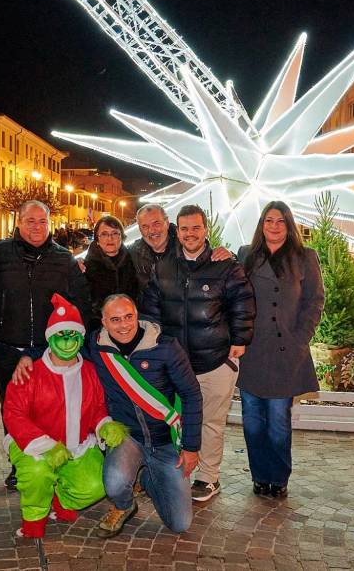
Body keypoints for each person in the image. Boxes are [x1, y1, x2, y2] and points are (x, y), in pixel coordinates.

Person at [13, 294, 202, 537]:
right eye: (115, 319)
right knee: (112, 483)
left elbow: (191, 395)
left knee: (180, 524)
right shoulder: (96, 345)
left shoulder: (165, 347)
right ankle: (124, 504)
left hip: (165, 441)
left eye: (128, 317)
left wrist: (191, 447)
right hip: (128, 438)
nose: (124, 325)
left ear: (137, 315)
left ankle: (144, 478)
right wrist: (28, 355)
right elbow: (63, 341)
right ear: (103, 321)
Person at [140, 204, 255, 503]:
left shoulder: (225, 265)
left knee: (211, 422)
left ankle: (208, 477)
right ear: (177, 231)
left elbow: (243, 302)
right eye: (185, 228)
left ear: (205, 230)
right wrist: (153, 347)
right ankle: (177, 472)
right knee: (172, 418)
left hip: (215, 360)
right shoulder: (163, 267)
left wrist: (239, 340)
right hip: (175, 363)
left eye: (196, 228)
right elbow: (151, 309)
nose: (190, 234)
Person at [3, 294, 125, 539]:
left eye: (73, 335)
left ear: (81, 338)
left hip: (76, 445)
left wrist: (104, 425)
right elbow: (14, 415)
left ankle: (59, 497)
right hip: (32, 446)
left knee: (98, 485)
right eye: (61, 335)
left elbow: (97, 407)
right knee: (37, 473)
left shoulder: (90, 371)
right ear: (50, 338)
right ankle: (33, 522)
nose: (67, 341)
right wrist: (47, 446)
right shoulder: (30, 372)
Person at [0, 200, 91, 490]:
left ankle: (51, 461)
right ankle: (19, 464)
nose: (36, 227)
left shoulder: (63, 259)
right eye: (30, 221)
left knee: (49, 408)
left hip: (49, 352)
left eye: (42, 221)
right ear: (18, 222)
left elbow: (81, 300)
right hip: (8, 347)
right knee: (12, 410)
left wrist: (74, 342)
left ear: (50, 223)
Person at [237, 202, 324, 499]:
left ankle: (278, 476)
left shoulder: (304, 257)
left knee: (277, 420)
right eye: (269, 220)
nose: (274, 226)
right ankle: (260, 475)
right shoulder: (246, 255)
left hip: (286, 351)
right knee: (251, 422)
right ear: (261, 224)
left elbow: (315, 302)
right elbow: (232, 293)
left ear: (289, 225)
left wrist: (301, 339)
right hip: (252, 352)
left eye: (280, 221)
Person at [129, 204, 233, 297]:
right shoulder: (134, 253)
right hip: (150, 315)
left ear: (167, 223)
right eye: (145, 226)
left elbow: (207, 257)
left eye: (156, 224)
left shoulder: (187, 245)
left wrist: (230, 255)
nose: (151, 230)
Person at [83, 215, 139, 326]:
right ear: (97, 239)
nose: (110, 238)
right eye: (104, 234)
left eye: (115, 233)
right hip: (97, 327)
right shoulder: (85, 267)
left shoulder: (134, 261)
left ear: (121, 237)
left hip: (130, 325)